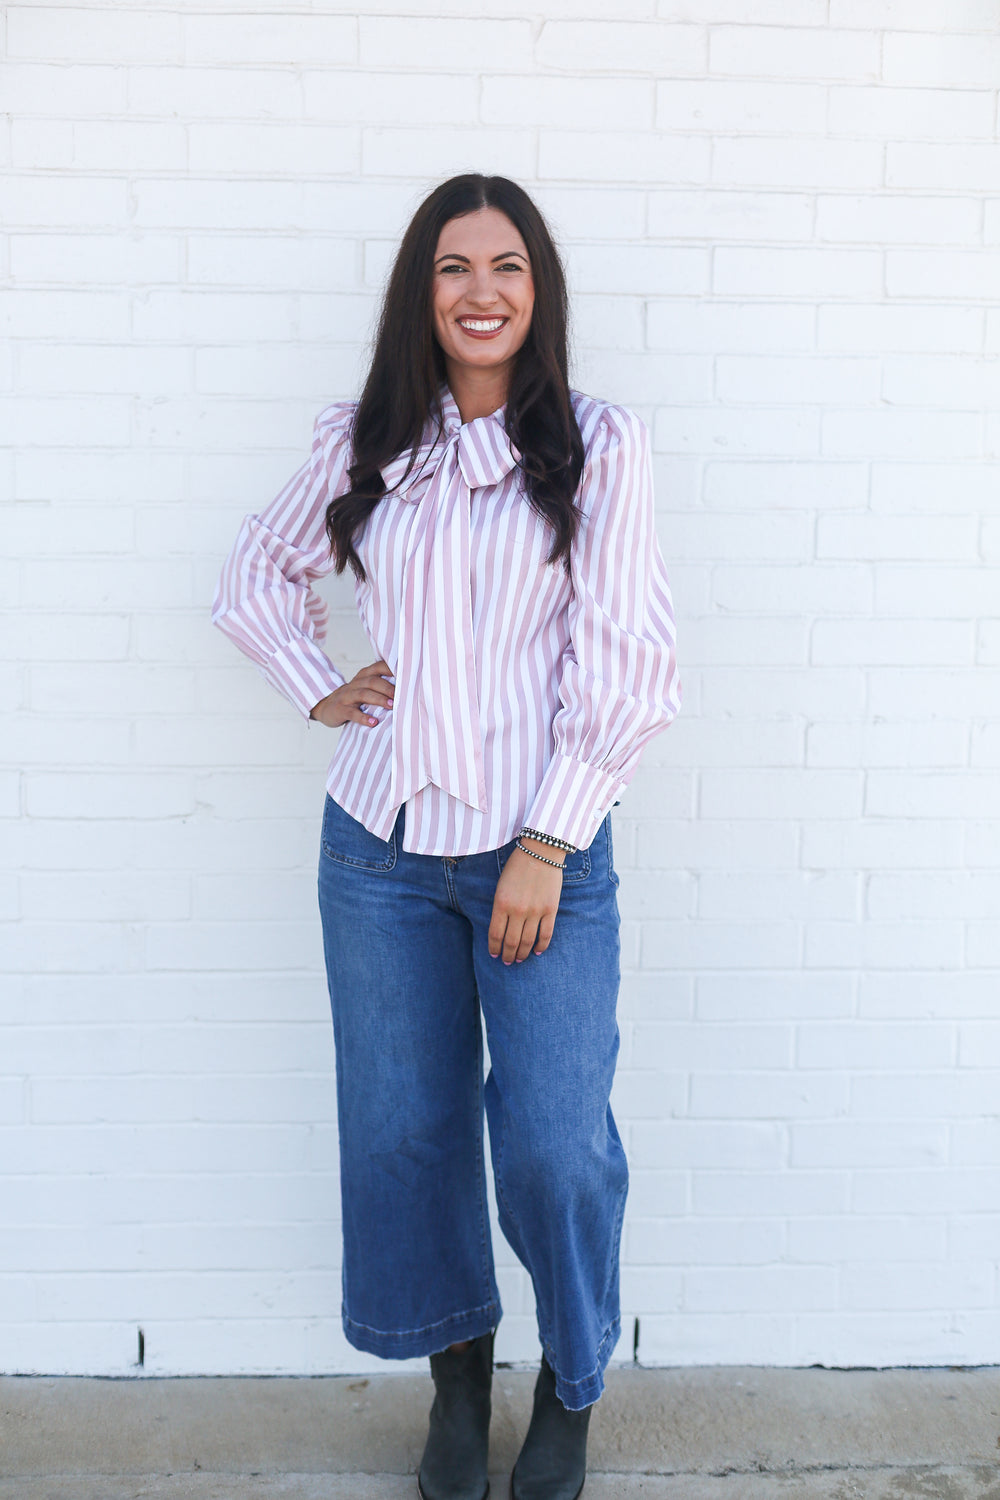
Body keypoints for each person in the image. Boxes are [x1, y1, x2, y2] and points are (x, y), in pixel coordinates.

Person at [212, 173, 680, 1500]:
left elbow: (633, 670)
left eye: (509, 267)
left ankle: (573, 1390)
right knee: (406, 1135)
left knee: (553, 1142)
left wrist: (548, 842)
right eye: (455, 268)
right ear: (423, 293)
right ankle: (458, 1390)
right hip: (378, 852)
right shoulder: (367, 443)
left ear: (541, 292)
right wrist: (317, 682)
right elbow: (254, 574)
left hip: (543, 854)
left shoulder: (598, 446)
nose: (483, 292)